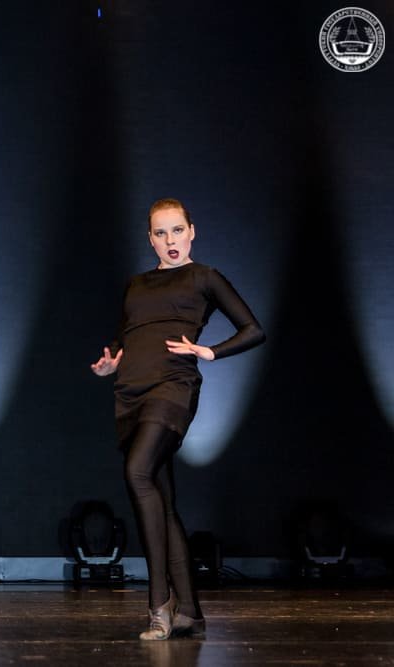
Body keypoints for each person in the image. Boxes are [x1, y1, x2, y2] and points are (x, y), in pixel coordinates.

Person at [91, 198, 265, 640]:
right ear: (150, 239)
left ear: (192, 231)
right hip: (130, 393)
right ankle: (190, 611)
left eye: (177, 230)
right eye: (161, 233)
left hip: (172, 388)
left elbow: (253, 329)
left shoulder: (204, 277)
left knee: (138, 473)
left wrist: (210, 351)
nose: (170, 240)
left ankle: (159, 603)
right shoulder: (136, 284)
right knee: (162, 503)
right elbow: (128, 336)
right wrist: (111, 364)